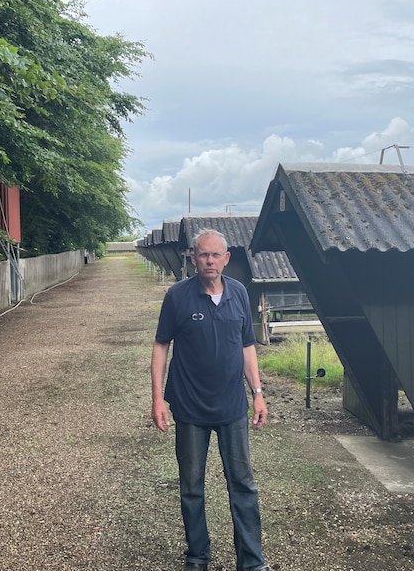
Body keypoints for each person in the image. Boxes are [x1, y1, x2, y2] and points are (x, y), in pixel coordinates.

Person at [151, 228, 269, 571]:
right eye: (203, 255)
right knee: (191, 485)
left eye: (216, 255)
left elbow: (247, 346)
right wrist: (157, 398)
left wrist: (257, 394)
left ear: (226, 259)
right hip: (189, 407)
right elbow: (161, 345)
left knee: (243, 484)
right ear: (193, 258)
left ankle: (251, 561)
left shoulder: (239, 294)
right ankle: (197, 555)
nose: (210, 261)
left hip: (232, 406)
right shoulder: (178, 296)